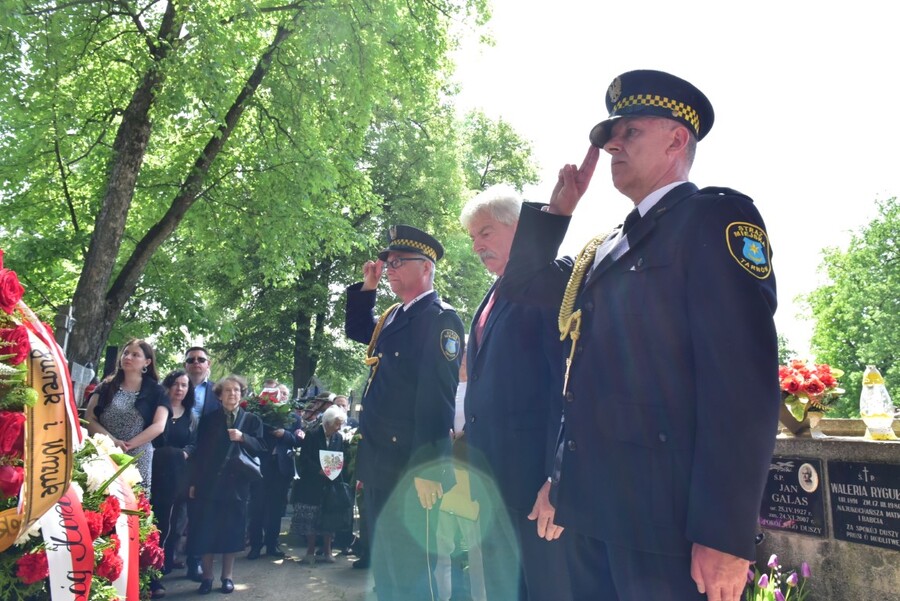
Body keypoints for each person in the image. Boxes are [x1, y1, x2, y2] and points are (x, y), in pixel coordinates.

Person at [499, 69, 780, 601]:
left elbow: (742, 387)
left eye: (630, 132)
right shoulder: (604, 247)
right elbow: (525, 286)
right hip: (590, 515)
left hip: (665, 531)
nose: (612, 147)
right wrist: (558, 211)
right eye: (610, 137)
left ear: (677, 139)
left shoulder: (715, 219)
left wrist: (724, 534)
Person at [459, 185, 571, 601]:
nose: (477, 246)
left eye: (485, 233)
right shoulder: (491, 295)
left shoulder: (549, 286)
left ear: (520, 228)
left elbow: (564, 387)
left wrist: (556, 479)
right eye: (473, 238)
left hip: (534, 489)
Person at [344, 224, 465, 600]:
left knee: (414, 569)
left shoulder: (439, 318)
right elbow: (356, 329)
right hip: (380, 458)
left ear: (425, 268)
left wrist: (428, 467)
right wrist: (368, 287)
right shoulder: (394, 316)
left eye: (398, 262)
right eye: (387, 261)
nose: (389, 267)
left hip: (412, 466)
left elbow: (438, 398)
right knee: (387, 563)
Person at [187, 375, 265, 595]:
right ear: (219, 396)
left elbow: (261, 447)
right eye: (228, 391)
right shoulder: (209, 418)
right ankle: (207, 577)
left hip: (237, 486)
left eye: (237, 391)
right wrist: (194, 482)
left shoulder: (251, 420)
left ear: (242, 395)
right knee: (207, 531)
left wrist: (243, 438)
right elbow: (200, 453)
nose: (233, 394)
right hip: (210, 484)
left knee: (232, 532)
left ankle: (227, 577)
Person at [85, 338, 169, 489]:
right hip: (103, 452)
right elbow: (89, 418)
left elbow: (159, 425)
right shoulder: (105, 387)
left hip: (138, 457)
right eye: (126, 353)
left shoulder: (157, 391)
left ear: (147, 362)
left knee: (132, 503)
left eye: (135, 355)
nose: (128, 357)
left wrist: (127, 446)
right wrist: (112, 442)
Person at [247, 383, 303, 560]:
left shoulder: (294, 418)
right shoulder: (257, 414)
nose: (282, 397)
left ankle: (272, 544)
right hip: (261, 466)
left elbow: (297, 440)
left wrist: (283, 434)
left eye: (285, 394)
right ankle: (256, 545)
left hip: (281, 469)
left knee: (276, 509)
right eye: (279, 393)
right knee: (257, 507)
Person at [151, 370, 198, 576]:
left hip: (178, 473)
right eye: (176, 384)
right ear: (168, 385)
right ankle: (150, 566)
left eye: (184, 385)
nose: (180, 389)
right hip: (154, 470)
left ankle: (166, 563)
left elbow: (195, 443)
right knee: (155, 519)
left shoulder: (191, 416)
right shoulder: (157, 409)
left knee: (175, 521)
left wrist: (185, 453)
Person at [182, 346, 222, 581]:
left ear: (208, 364)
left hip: (204, 461)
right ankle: (164, 559)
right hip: (179, 455)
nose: (196, 363)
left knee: (199, 513)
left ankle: (194, 561)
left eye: (201, 359)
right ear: (185, 364)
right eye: (191, 359)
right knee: (173, 511)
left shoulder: (217, 392)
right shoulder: (175, 386)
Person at [292, 405, 348, 564]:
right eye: (337, 424)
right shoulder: (312, 434)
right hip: (311, 484)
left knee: (329, 518)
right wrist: (319, 470)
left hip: (330, 485)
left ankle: (327, 551)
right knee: (311, 519)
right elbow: (304, 459)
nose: (339, 427)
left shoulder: (338, 438)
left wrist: (336, 471)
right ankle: (310, 552)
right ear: (328, 423)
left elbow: (340, 457)